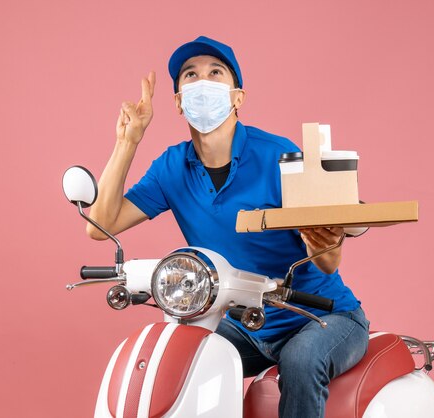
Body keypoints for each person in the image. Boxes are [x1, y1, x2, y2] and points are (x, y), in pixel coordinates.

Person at [87, 35, 370, 418]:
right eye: (190, 75)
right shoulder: (172, 167)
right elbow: (101, 224)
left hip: (323, 317)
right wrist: (127, 142)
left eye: (215, 73)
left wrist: (330, 241)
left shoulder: (279, 155)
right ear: (178, 102)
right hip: (245, 323)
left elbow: (328, 263)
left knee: (301, 361)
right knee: (181, 354)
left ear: (238, 96)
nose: (202, 82)